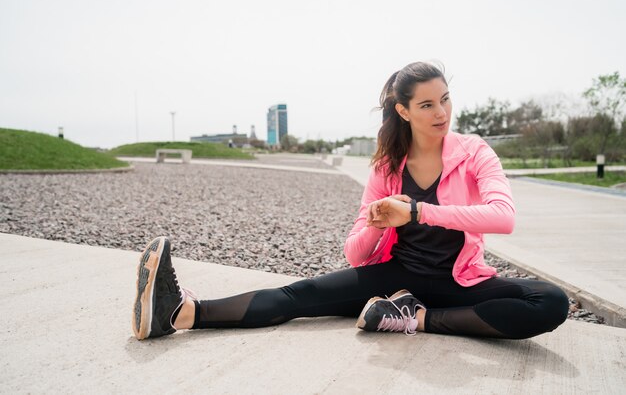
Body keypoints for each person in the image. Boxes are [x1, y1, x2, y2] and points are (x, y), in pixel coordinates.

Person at [132, 61, 569, 341]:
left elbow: (503, 217)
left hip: (461, 281)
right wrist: (378, 223)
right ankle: (183, 312)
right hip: (394, 275)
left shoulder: (473, 151)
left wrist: (416, 210)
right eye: (428, 105)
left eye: (446, 99)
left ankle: (414, 319)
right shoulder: (386, 166)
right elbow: (355, 252)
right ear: (404, 111)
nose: (442, 113)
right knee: (296, 296)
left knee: (551, 301)